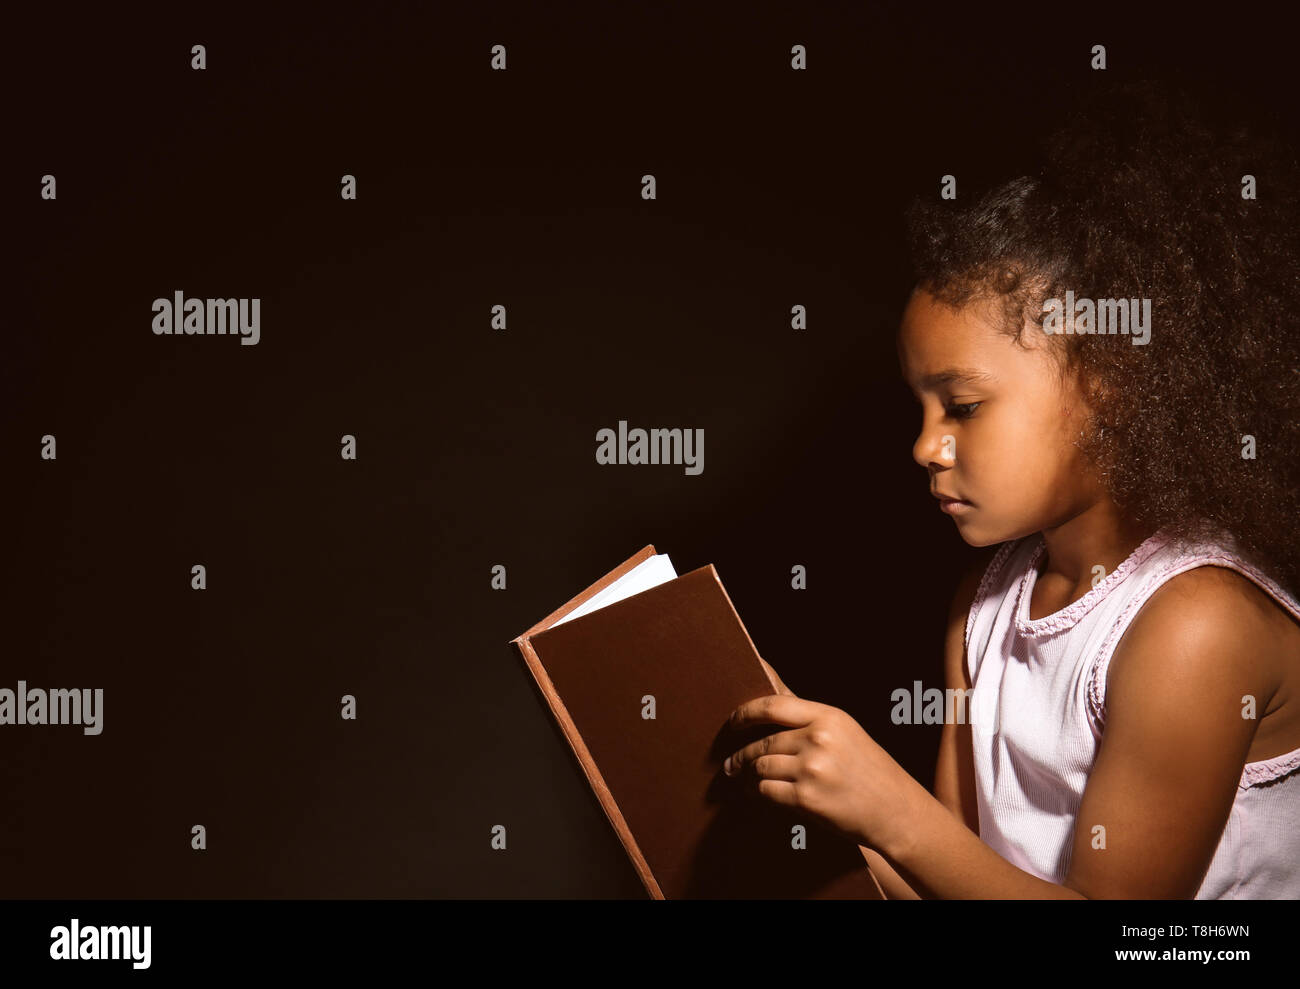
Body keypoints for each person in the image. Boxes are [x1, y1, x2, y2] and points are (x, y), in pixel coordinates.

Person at [724, 79, 1300, 898]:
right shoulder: (986, 603)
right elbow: (949, 875)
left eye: (962, 404)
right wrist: (820, 775)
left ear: (1112, 384)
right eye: (918, 408)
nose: (925, 445)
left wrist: (888, 806)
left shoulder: (1196, 628)